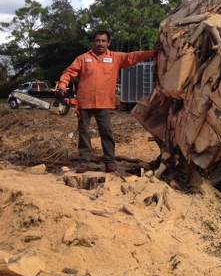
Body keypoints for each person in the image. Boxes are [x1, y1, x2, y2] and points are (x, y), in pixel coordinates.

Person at [58, 30, 156, 174]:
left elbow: (133, 56)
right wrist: (61, 85)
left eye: (104, 41)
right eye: (98, 40)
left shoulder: (115, 58)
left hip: (104, 102)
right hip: (85, 102)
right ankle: (84, 162)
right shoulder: (83, 58)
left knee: (106, 132)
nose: (100, 43)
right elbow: (68, 72)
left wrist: (153, 52)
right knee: (84, 132)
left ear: (108, 43)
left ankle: (110, 162)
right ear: (94, 42)